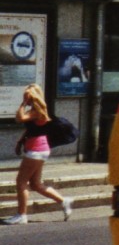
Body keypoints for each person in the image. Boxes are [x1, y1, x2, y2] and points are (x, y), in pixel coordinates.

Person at [4, 84, 71, 224]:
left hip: (36, 150)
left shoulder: (38, 111)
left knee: (21, 182)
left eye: (26, 97)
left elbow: (19, 118)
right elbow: (31, 130)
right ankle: (64, 201)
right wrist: (20, 141)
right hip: (38, 149)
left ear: (33, 97)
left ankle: (22, 215)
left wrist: (22, 104)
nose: (25, 99)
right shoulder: (35, 111)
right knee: (35, 184)